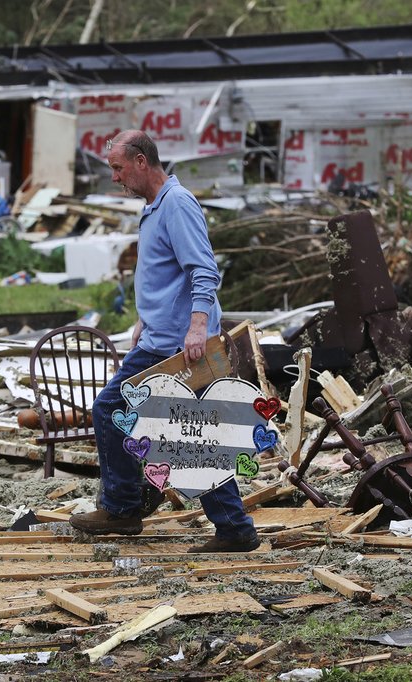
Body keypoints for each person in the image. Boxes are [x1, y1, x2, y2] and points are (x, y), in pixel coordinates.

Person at [69, 130, 260, 553]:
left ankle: (123, 507)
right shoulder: (156, 207)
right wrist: (143, 317)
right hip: (160, 336)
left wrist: (196, 328)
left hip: (178, 345)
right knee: (184, 435)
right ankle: (233, 527)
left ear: (141, 162)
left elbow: (203, 270)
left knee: (115, 409)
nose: (115, 178)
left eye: (118, 168)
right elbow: (164, 273)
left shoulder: (176, 203)